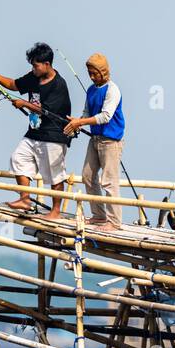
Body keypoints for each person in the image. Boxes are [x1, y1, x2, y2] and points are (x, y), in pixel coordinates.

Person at [0, 42, 73, 220]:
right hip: (34, 132)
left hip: (53, 135)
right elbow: (14, 84)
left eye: (36, 65)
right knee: (18, 158)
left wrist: (24, 103)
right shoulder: (34, 76)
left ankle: (55, 211)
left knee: (55, 175)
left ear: (47, 64)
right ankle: (25, 199)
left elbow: (47, 111)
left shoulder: (58, 85)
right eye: (32, 65)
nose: (33, 68)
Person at [62, 53, 126, 228]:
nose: (91, 76)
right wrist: (76, 122)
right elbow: (86, 113)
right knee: (88, 176)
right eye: (89, 73)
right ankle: (99, 215)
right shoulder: (91, 89)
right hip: (95, 139)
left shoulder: (113, 89)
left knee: (109, 181)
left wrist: (80, 122)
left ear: (103, 72)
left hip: (110, 141)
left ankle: (114, 222)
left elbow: (105, 116)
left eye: (94, 73)